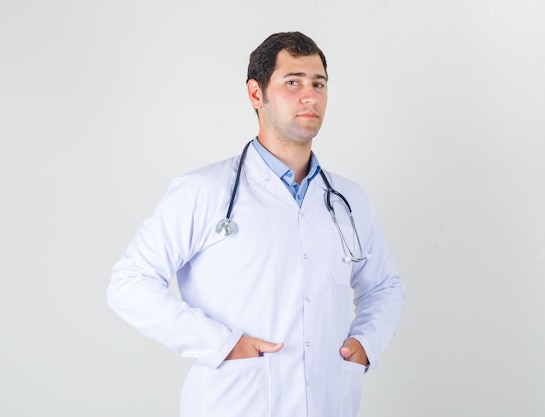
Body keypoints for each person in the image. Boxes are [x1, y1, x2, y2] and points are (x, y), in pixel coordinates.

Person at [108, 31, 404, 417]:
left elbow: (384, 286)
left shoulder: (349, 201)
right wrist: (221, 344)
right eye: (292, 82)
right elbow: (129, 284)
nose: (310, 96)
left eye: (319, 84)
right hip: (236, 401)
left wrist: (364, 343)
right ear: (255, 94)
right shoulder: (202, 191)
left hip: (330, 403)